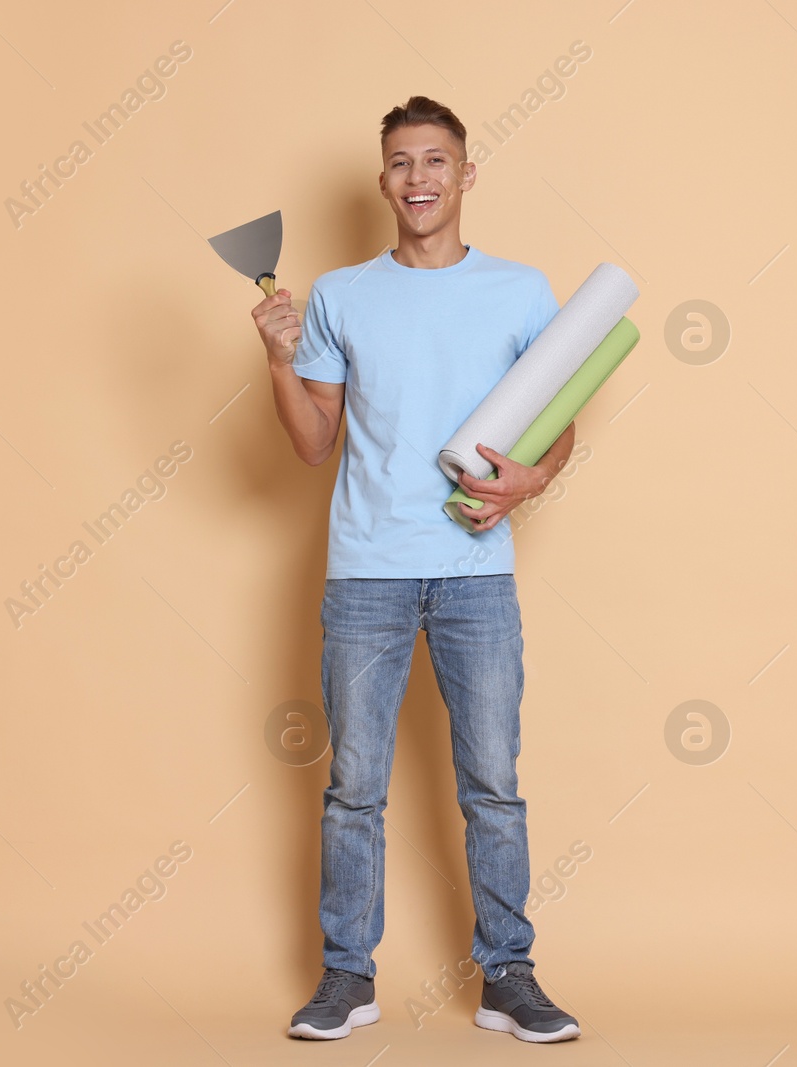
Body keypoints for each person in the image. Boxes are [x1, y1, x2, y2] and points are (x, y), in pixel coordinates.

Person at [251, 95, 582, 1044]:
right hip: (367, 573)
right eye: (401, 163)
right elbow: (315, 444)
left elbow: (558, 423)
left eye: (436, 161)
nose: (419, 179)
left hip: (477, 571)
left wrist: (531, 481)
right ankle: (347, 977)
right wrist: (277, 360)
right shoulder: (340, 296)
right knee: (355, 785)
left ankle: (508, 974)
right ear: (383, 179)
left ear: (466, 175)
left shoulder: (522, 291)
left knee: (492, 783)